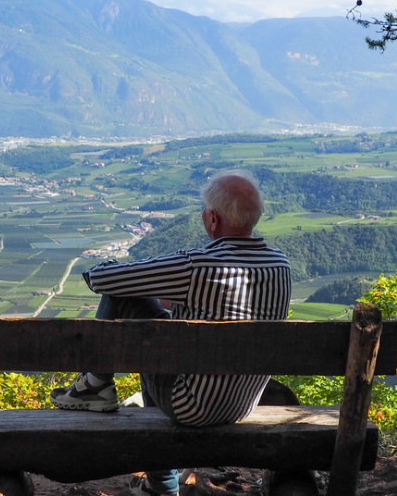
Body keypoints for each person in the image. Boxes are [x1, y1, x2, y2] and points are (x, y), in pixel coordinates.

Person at [50, 169, 292, 496]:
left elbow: (106, 281)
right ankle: (158, 482)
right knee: (167, 345)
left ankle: (95, 385)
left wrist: (124, 277)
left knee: (135, 313)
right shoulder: (280, 265)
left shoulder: (199, 265)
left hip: (190, 405)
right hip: (242, 402)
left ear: (213, 219)